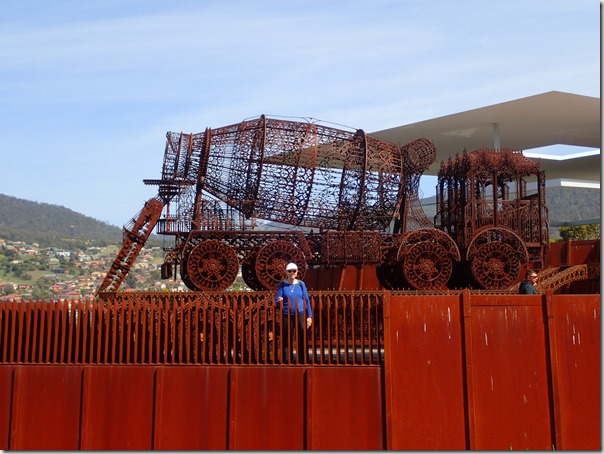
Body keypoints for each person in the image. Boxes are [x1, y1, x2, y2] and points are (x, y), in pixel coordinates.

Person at [275, 262, 313, 363]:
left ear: (297, 272)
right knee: (287, 337)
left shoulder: (301, 284)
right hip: (286, 314)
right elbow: (277, 301)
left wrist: (309, 316)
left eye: (294, 271)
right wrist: (279, 301)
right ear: (286, 272)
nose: (292, 273)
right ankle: (287, 360)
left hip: (300, 314)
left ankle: (303, 359)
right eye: (290, 271)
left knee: (302, 337)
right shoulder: (282, 285)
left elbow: (306, 300)